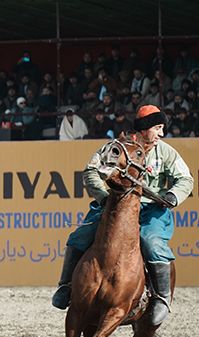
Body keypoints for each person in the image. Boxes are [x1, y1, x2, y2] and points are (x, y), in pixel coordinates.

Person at [50, 106, 193, 325]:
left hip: (150, 210)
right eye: (158, 128)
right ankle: (66, 286)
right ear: (145, 129)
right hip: (114, 207)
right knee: (81, 235)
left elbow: (186, 179)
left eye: (162, 128)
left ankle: (161, 299)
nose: (161, 134)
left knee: (151, 242)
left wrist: (173, 195)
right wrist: (103, 198)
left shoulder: (166, 152)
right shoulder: (115, 148)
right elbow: (91, 171)